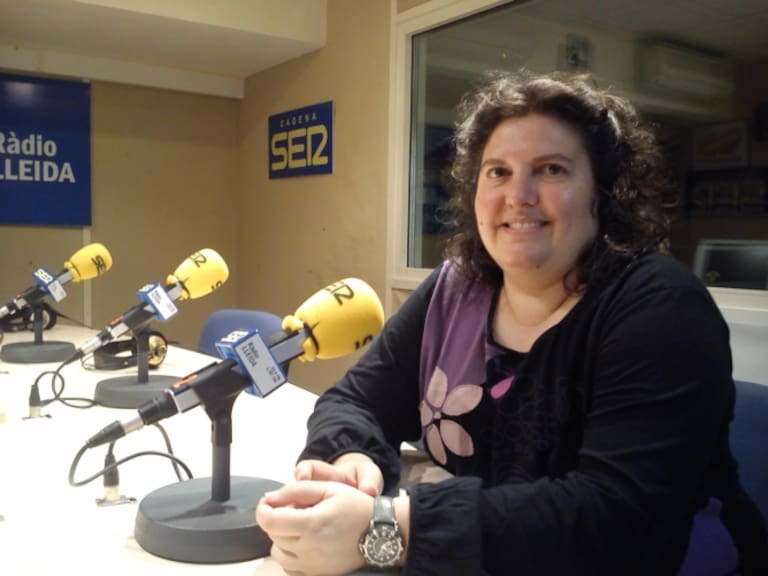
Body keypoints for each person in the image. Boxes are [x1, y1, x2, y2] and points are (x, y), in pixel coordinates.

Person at [255, 70, 768, 575]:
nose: (518, 195)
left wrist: (388, 527)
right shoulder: (454, 288)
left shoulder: (662, 309)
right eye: (497, 172)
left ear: (604, 193)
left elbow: (613, 521)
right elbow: (355, 401)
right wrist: (354, 464)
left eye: (551, 169)